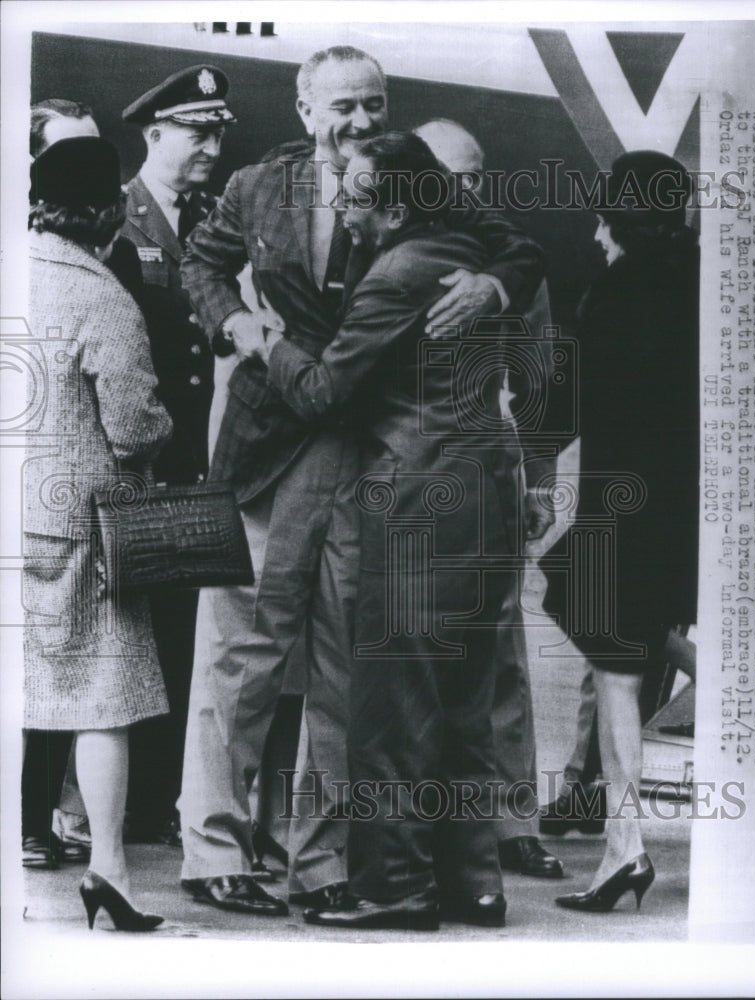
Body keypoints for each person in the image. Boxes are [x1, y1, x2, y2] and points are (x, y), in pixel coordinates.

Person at [178, 44, 543, 916]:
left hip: (378, 458)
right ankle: (214, 848)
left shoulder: (413, 177)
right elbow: (199, 263)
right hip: (275, 448)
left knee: (353, 673)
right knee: (243, 654)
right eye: (342, 106)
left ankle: (327, 863)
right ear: (304, 111)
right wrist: (234, 323)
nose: (360, 123)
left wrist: (494, 286)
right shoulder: (255, 187)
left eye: (374, 105)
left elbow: (519, 247)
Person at [262, 130, 522, 929]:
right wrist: (500, 283)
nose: (341, 206)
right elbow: (523, 248)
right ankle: (475, 882)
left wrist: (263, 341)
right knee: (467, 699)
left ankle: (396, 888)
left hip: (415, 504)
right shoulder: (469, 245)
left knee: (395, 704)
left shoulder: (394, 277)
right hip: (488, 493)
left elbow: (321, 394)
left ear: (399, 205)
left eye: (355, 195)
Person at [542, 150, 699, 912]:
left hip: (618, 506)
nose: (597, 233)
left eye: (604, 217)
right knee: (627, 642)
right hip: (681, 507)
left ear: (620, 219)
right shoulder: (704, 282)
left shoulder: (614, 292)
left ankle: (623, 848)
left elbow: (570, 404)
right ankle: (705, 670)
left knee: (614, 666)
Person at [25, 136, 173, 929]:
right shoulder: (103, 295)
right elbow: (137, 426)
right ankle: (108, 872)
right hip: (80, 530)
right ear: (111, 213)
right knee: (101, 702)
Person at [413, 118, 564, 878]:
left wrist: (538, 479)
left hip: (489, 467)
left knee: (501, 649)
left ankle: (513, 822)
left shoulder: (513, 260)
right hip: (401, 477)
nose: (465, 191)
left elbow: (537, 381)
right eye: (450, 176)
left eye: (475, 178)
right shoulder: (379, 247)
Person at [117, 66, 236, 847]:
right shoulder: (120, 223)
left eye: (218, 132)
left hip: (203, 460)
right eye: (197, 131)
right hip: (149, 461)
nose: (211, 146)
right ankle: (127, 803)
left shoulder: (210, 222)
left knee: (190, 631)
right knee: (144, 636)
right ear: (155, 133)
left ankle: (163, 799)